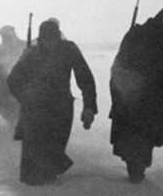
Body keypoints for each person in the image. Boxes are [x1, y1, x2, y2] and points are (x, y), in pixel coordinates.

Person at [7, 20, 97, 186]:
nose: (51, 45)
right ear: (41, 39)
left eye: (54, 40)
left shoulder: (69, 49)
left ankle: (49, 175)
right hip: (36, 106)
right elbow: (13, 80)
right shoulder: (31, 53)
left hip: (61, 105)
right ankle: (38, 179)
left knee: (56, 144)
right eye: (47, 41)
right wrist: (25, 98)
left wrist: (89, 106)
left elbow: (85, 77)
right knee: (35, 148)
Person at [109, 4, 163, 183]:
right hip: (131, 88)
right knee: (132, 129)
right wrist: (121, 89)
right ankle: (135, 167)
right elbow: (119, 64)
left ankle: (140, 162)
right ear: (160, 18)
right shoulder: (137, 33)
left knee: (151, 130)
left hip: (155, 90)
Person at [0, 25, 24, 125]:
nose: (3, 38)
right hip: (5, 79)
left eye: (5, 36)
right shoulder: (1, 47)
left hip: (20, 80)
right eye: (2, 36)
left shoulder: (23, 45)